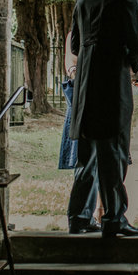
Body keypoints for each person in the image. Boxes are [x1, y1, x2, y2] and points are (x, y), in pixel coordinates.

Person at [66, 0, 138, 238]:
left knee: (86, 154)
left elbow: (75, 45)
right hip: (112, 83)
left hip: (86, 84)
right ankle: (114, 219)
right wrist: (135, 62)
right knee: (113, 151)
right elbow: (136, 41)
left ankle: (79, 217)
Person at [57, 29, 103, 227]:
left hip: (98, 97)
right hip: (84, 101)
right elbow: (71, 63)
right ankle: (82, 215)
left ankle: (95, 212)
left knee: (98, 161)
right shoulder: (75, 34)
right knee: (86, 160)